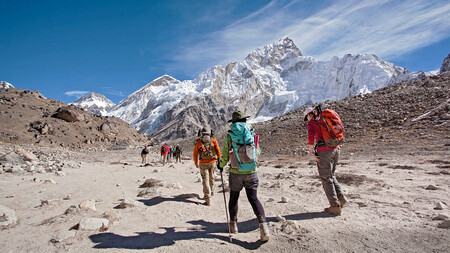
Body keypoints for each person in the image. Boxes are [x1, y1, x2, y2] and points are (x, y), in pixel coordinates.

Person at [217, 110, 270, 242]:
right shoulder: (251, 131)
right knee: (253, 198)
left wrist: (221, 165)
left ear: (234, 122)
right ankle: (264, 228)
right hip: (252, 171)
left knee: (234, 197)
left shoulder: (231, 134)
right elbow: (256, 150)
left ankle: (233, 225)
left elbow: (224, 153)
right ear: (244, 120)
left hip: (236, 172)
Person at [304, 107, 348, 215]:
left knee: (325, 178)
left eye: (307, 117)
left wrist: (311, 151)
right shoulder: (323, 119)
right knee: (331, 175)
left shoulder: (312, 123)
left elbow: (311, 137)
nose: (308, 119)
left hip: (325, 151)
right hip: (336, 148)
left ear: (309, 115)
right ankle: (341, 199)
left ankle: (334, 206)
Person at [193, 128, 221, 206]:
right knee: (212, 177)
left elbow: (195, 153)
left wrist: (196, 163)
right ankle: (211, 192)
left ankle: (207, 198)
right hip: (213, 162)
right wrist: (219, 159)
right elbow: (218, 150)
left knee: (205, 179)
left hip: (203, 163)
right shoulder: (213, 140)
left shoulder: (198, 141)